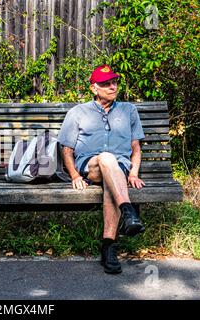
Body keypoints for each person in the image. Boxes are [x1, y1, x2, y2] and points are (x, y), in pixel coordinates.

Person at [58, 64, 146, 274]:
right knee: (106, 159)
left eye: (114, 82)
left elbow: (136, 148)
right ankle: (128, 211)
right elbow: (67, 149)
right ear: (94, 88)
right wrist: (74, 175)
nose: (112, 87)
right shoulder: (78, 112)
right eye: (106, 84)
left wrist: (133, 172)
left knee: (111, 181)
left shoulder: (129, 110)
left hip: (120, 168)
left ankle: (108, 248)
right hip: (90, 166)